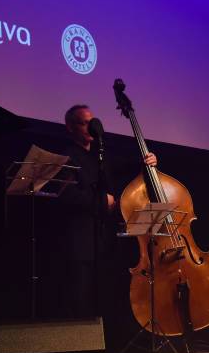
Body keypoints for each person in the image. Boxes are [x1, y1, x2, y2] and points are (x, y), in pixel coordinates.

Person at [60, 105, 157, 317]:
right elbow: (67, 195)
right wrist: (101, 200)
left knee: (103, 297)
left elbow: (126, 167)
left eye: (92, 122)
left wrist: (146, 161)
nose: (90, 128)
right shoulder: (67, 157)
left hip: (104, 238)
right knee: (81, 298)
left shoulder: (100, 155)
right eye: (84, 123)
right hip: (80, 240)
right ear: (70, 127)